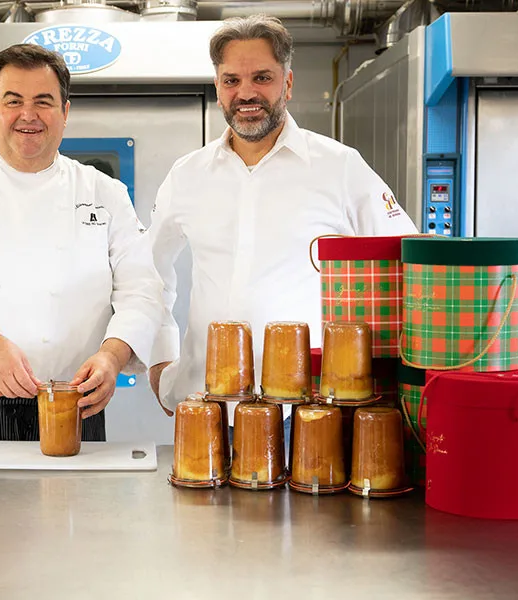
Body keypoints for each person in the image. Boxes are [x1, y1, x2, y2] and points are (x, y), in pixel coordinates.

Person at [148, 15, 417, 432]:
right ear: (218, 88)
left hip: (308, 413)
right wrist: (161, 357)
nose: (246, 93)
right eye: (231, 80)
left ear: (287, 84)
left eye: (262, 77)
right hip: (206, 406)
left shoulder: (340, 168)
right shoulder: (187, 175)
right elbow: (150, 272)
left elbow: (406, 261)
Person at [0, 44, 162, 445]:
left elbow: (141, 289)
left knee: (71, 511)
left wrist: (112, 356)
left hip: (72, 404)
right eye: (13, 101)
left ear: (65, 112)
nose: (28, 115)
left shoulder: (104, 192)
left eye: (43, 101)